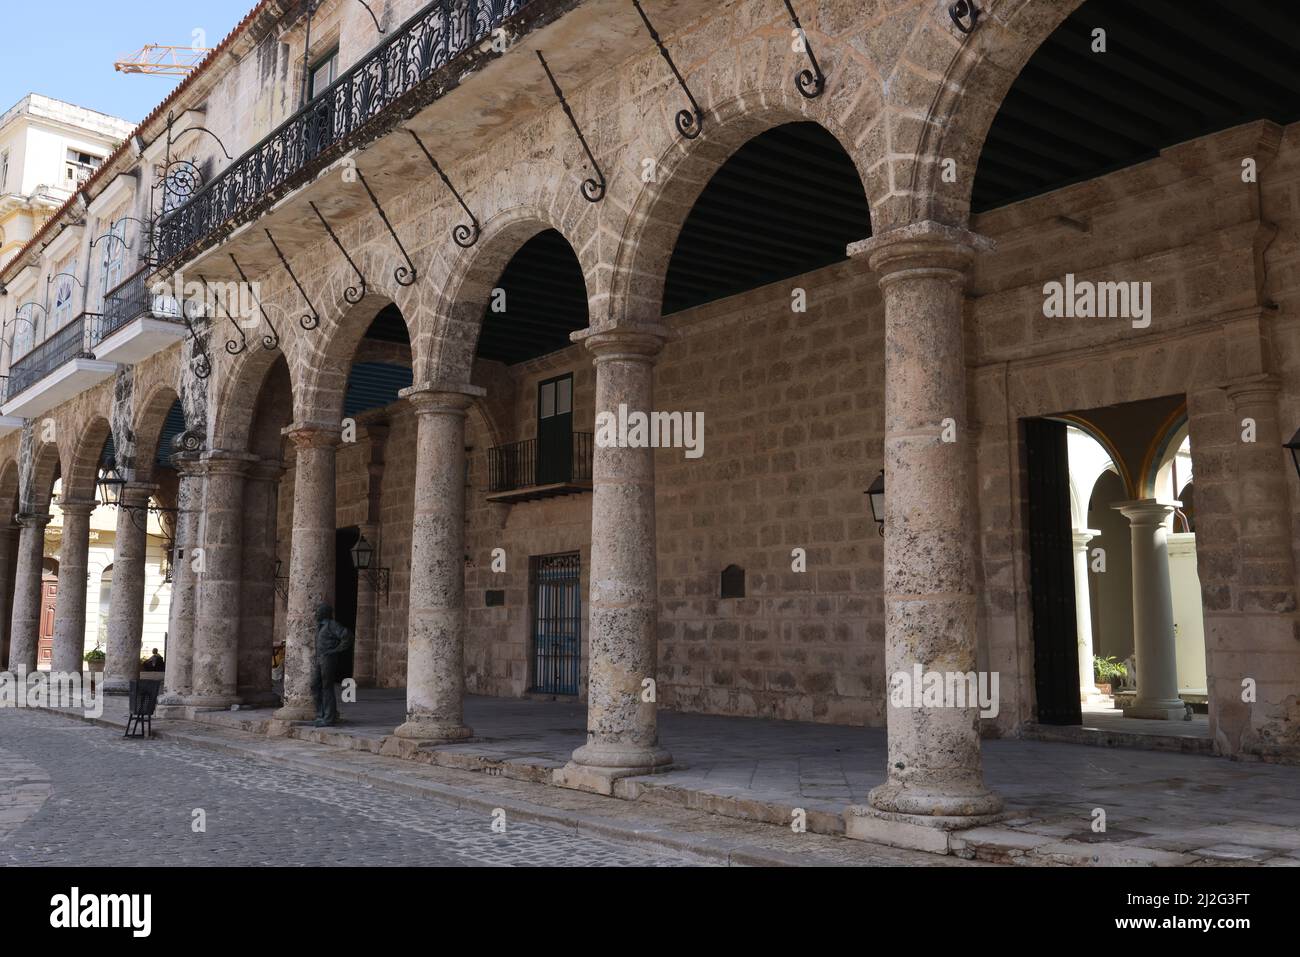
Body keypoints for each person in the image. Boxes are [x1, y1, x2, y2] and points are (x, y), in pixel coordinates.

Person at [310, 604, 353, 727]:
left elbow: (347, 636)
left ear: (324, 613)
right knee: (314, 685)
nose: (316, 614)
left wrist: (336, 650)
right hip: (320, 659)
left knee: (327, 687)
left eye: (318, 612)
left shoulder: (332, 625)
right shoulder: (320, 626)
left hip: (328, 659)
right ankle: (320, 714)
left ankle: (329, 717)